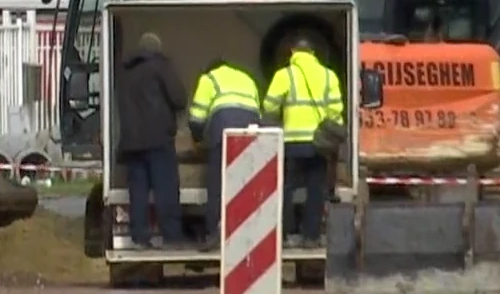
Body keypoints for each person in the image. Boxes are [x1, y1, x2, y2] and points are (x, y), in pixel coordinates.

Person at [261, 36, 345, 247]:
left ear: (292, 53)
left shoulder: (284, 75)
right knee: (316, 189)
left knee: (286, 188)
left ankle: (285, 234)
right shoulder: (329, 76)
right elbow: (336, 111)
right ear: (313, 54)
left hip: (292, 142)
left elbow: (269, 105)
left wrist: (281, 115)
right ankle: (311, 236)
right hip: (319, 143)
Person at [113, 31, 187, 248]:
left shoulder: (125, 72)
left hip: (131, 143)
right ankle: (172, 237)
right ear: (157, 49)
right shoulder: (160, 66)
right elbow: (179, 98)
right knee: (166, 189)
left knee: (138, 192)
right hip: (158, 140)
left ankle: (140, 237)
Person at [187, 56, 262, 249]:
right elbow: (258, 112)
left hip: (223, 132)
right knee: (246, 184)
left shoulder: (209, 79)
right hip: (250, 134)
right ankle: (249, 233)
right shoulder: (246, 78)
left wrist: (197, 139)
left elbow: (196, 118)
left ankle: (213, 233)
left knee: (217, 185)